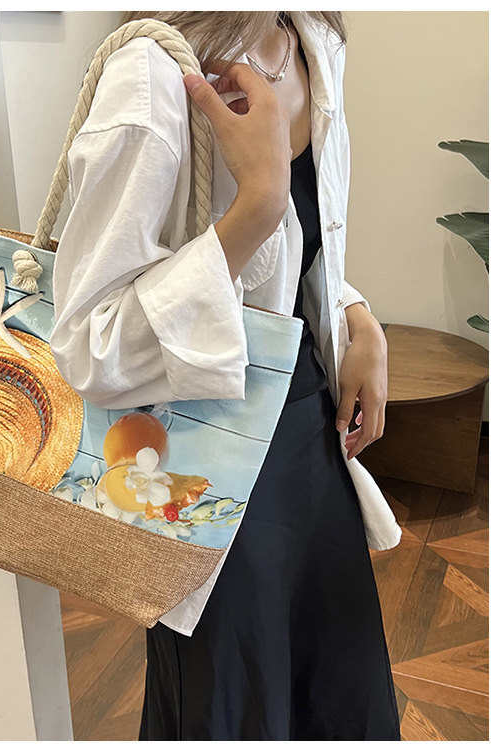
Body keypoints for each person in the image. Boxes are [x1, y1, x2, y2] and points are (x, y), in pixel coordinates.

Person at [49, 11, 402, 741]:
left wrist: (357, 315)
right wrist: (256, 207)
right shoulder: (152, 75)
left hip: (309, 433)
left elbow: (298, 252)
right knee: (234, 709)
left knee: (339, 700)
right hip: (202, 466)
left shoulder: (311, 39)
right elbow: (90, 344)